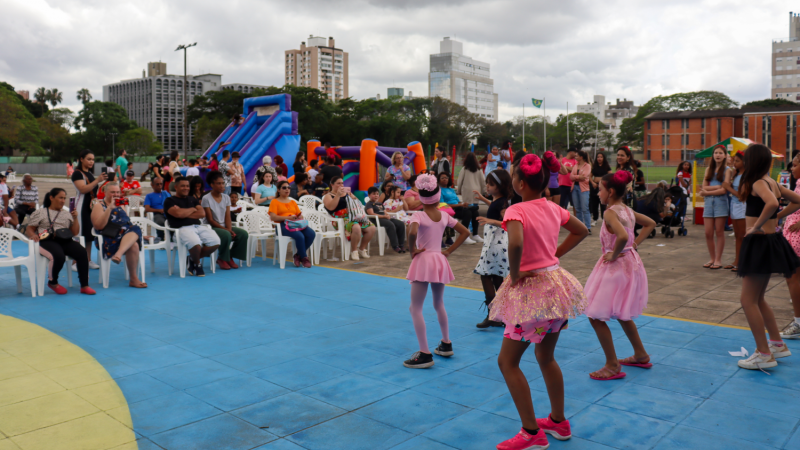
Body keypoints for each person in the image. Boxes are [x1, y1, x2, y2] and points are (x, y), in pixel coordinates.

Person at [489, 152, 588, 449]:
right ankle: (558, 421)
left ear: (519, 183)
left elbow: (516, 242)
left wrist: (516, 274)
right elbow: (582, 230)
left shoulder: (515, 210)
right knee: (546, 358)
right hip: (557, 288)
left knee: (507, 362)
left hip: (532, 293)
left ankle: (532, 432)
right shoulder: (553, 207)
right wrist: (553, 256)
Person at [584, 171, 656, 380]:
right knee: (622, 312)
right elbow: (650, 223)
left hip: (616, 265)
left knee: (595, 316)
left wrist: (614, 253)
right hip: (631, 263)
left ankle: (612, 364)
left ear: (611, 191)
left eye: (600, 189)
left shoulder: (609, 213)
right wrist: (634, 246)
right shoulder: (627, 210)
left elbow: (622, 235)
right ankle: (641, 354)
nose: (598, 193)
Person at [735, 144, 800, 370]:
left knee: (747, 300)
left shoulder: (758, 183)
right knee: (758, 298)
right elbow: (797, 200)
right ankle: (776, 344)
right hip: (770, 241)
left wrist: (757, 226)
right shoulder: (772, 182)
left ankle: (764, 354)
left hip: (760, 242)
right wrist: (777, 218)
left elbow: (772, 203)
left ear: (752, 161)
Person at [403, 174, 470, 369]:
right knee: (439, 303)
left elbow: (412, 232)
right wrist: (448, 250)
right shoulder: (444, 215)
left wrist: (412, 249)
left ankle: (425, 353)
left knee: (415, 308)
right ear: (438, 195)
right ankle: (446, 343)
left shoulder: (418, 215)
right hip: (439, 260)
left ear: (421, 197)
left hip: (423, 261)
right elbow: (465, 232)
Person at [26, 188, 95, 295]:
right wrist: (33, 235)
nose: (63, 200)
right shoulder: (40, 212)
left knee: (82, 253)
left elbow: (75, 232)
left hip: (65, 240)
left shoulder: (67, 214)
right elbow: (30, 228)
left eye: (64, 198)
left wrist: (75, 218)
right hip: (47, 241)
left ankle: (84, 285)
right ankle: (53, 282)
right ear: (51, 198)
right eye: (60, 198)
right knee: (58, 256)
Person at [472, 169, 512, 329]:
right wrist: (483, 199)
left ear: (500, 186)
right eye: (487, 183)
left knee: (485, 275)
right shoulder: (499, 201)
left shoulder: (503, 203)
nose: (487, 186)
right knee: (496, 278)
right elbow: (494, 208)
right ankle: (500, 314)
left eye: (491, 184)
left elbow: (507, 222)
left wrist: (490, 220)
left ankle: (493, 314)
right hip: (494, 244)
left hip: (495, 245)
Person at [91, 183, 147, 288]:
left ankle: (132, 277)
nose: (116, 194)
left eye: (117, 192)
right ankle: (120, 257)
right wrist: (109, 209)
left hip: (123, 238)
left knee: (134, 242)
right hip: (108, 239)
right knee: (135, 233)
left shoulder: (121, 205)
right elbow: (98, 226)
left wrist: (141, 236)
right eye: (112, 192)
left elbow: (127, 224)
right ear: (105, 192)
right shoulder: (99, 206)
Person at [164, 177, 221, 277]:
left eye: (187, 186)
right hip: (180, 228)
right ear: (176, 187)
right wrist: (192, 209)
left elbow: (202, 213)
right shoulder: (169, 201)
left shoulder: (192, 199)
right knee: (196, 244)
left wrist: (183, 212)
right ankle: (198, 264)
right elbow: (177, 214)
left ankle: (191, 259)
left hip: (197, 226)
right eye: (183, 186)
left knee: (215, 241)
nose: (186, 188)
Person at [202, 170, 248, 270]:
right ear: (212, 184)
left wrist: (229, 228)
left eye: (223, 183)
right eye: (219, 183)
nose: (222, 186)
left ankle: (229, 256)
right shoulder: (206, 198)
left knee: (243, 234)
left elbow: (228, 216)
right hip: (211, 227)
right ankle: (222, 258)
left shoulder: (226, 197)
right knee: (226, 234)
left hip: (224, 226)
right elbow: (210, 220)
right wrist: (227, 230)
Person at [323, 176, 375, 260]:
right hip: (339, 219)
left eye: (342, 183)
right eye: (338, 183)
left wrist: (352, 196)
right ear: (332, 185)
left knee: (371, 228)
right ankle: (354, 251)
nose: (341, 185)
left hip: (352, 216)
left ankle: (361, 249)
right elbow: (331, 207)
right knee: (356, 227)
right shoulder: (328, 196)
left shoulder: (347, 193)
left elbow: (358, 203)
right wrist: (338, 195)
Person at [71, 150, 106, 270]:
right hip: (81, 207)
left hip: (90, 206)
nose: (91, 162)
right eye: (89, 159)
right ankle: (75, 262)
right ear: (81, 159)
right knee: (79, 234)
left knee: (89, 234)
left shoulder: (89, 174)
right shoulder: (77, 174)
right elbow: (82, 189)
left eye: (93, 159)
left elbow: (93, 191)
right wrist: (97, 180)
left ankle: (88, 259)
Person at [269, 180, 315, 268]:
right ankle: (304, 258)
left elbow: (299, 214)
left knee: (311, 233)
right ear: (278, 190)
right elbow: (273, 217)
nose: (287, 189)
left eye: (288, 188)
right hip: (282, 226)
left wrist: (300, 217)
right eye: (284, 188)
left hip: (295, 224)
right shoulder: (274, 202)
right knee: (299, 236)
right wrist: (287, 218)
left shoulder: (293, 202)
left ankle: (298, 255)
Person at [779, 151, 800, 340]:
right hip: (793, 233)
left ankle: (798, 322)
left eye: (794, 165)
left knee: (792, 277)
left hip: (797, 236)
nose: (791, 169)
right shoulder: (798, 183)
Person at [700, 145, 731, 270]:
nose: (718, 155)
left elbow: (724, 190)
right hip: (708, 203)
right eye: (716, 153)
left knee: (719, 232)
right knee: (708, 232)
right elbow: (704, 186)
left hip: (721, 203)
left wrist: (707, 192)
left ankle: (718, 259)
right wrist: (716, 188)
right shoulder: (709, 169)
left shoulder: (728, 170)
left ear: (724, 155)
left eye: (720, 153)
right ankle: (712, 258)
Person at [438, 172, 478, 245]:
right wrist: (460, 205)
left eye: (446, 177)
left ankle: (475, 235)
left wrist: (463, 204)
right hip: (449, 210)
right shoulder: (439, 190)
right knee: (468, 212)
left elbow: (458, 201)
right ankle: (464, 237)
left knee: (475, 212)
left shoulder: (451, 190)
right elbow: (443, 205)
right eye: (442, 178)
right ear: (438, 180)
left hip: (458, 207)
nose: (445, 179)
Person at [366, 186, 406, 253]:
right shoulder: (369, 204)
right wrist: (384, 217)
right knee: (390, 224)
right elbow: (372, 214)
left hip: (385, 218)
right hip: (376, 220)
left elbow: (385, 212)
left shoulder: (379, 204)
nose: (376, 196)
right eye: (373, 194)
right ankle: (395, 246)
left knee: (400, 224)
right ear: (369, 195)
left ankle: (401, 244)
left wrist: (387, 215)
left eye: (377, 194)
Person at [723, 152, 746, 271]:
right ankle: (737, 260)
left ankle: (742, 261)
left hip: (742, 207)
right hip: (735, 206)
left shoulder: (746, 176)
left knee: (742, 235)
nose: (734, 163)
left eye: (737, 161)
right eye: (734, 160)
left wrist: (728, 188)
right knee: (737, 236)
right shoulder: (737, 174)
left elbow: (742, 196)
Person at [570, 150, 592, 233]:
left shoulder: (587, 166)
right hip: (574, 188)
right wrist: (578, 177)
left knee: (585, 208)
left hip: (584, 189)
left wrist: (575, 177)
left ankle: (588, 227)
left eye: (577, 156)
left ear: (581, 157)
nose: (575, 157)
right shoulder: (575, 165)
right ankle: (580, 227)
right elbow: (571, 177)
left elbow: (585, 176)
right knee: (577, 208)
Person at [590, 152, 611, 222]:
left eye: (601, 157)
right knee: (594, 203)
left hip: (604, 187)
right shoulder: (594, 166)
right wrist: (592, 182)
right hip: (595, 186)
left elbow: (610, 176)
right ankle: (595, 218)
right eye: (598, 157)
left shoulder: (607, 166)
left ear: (603, 158)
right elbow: (589, 176)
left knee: (603, 203)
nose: (599, 158)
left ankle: (604, 218)